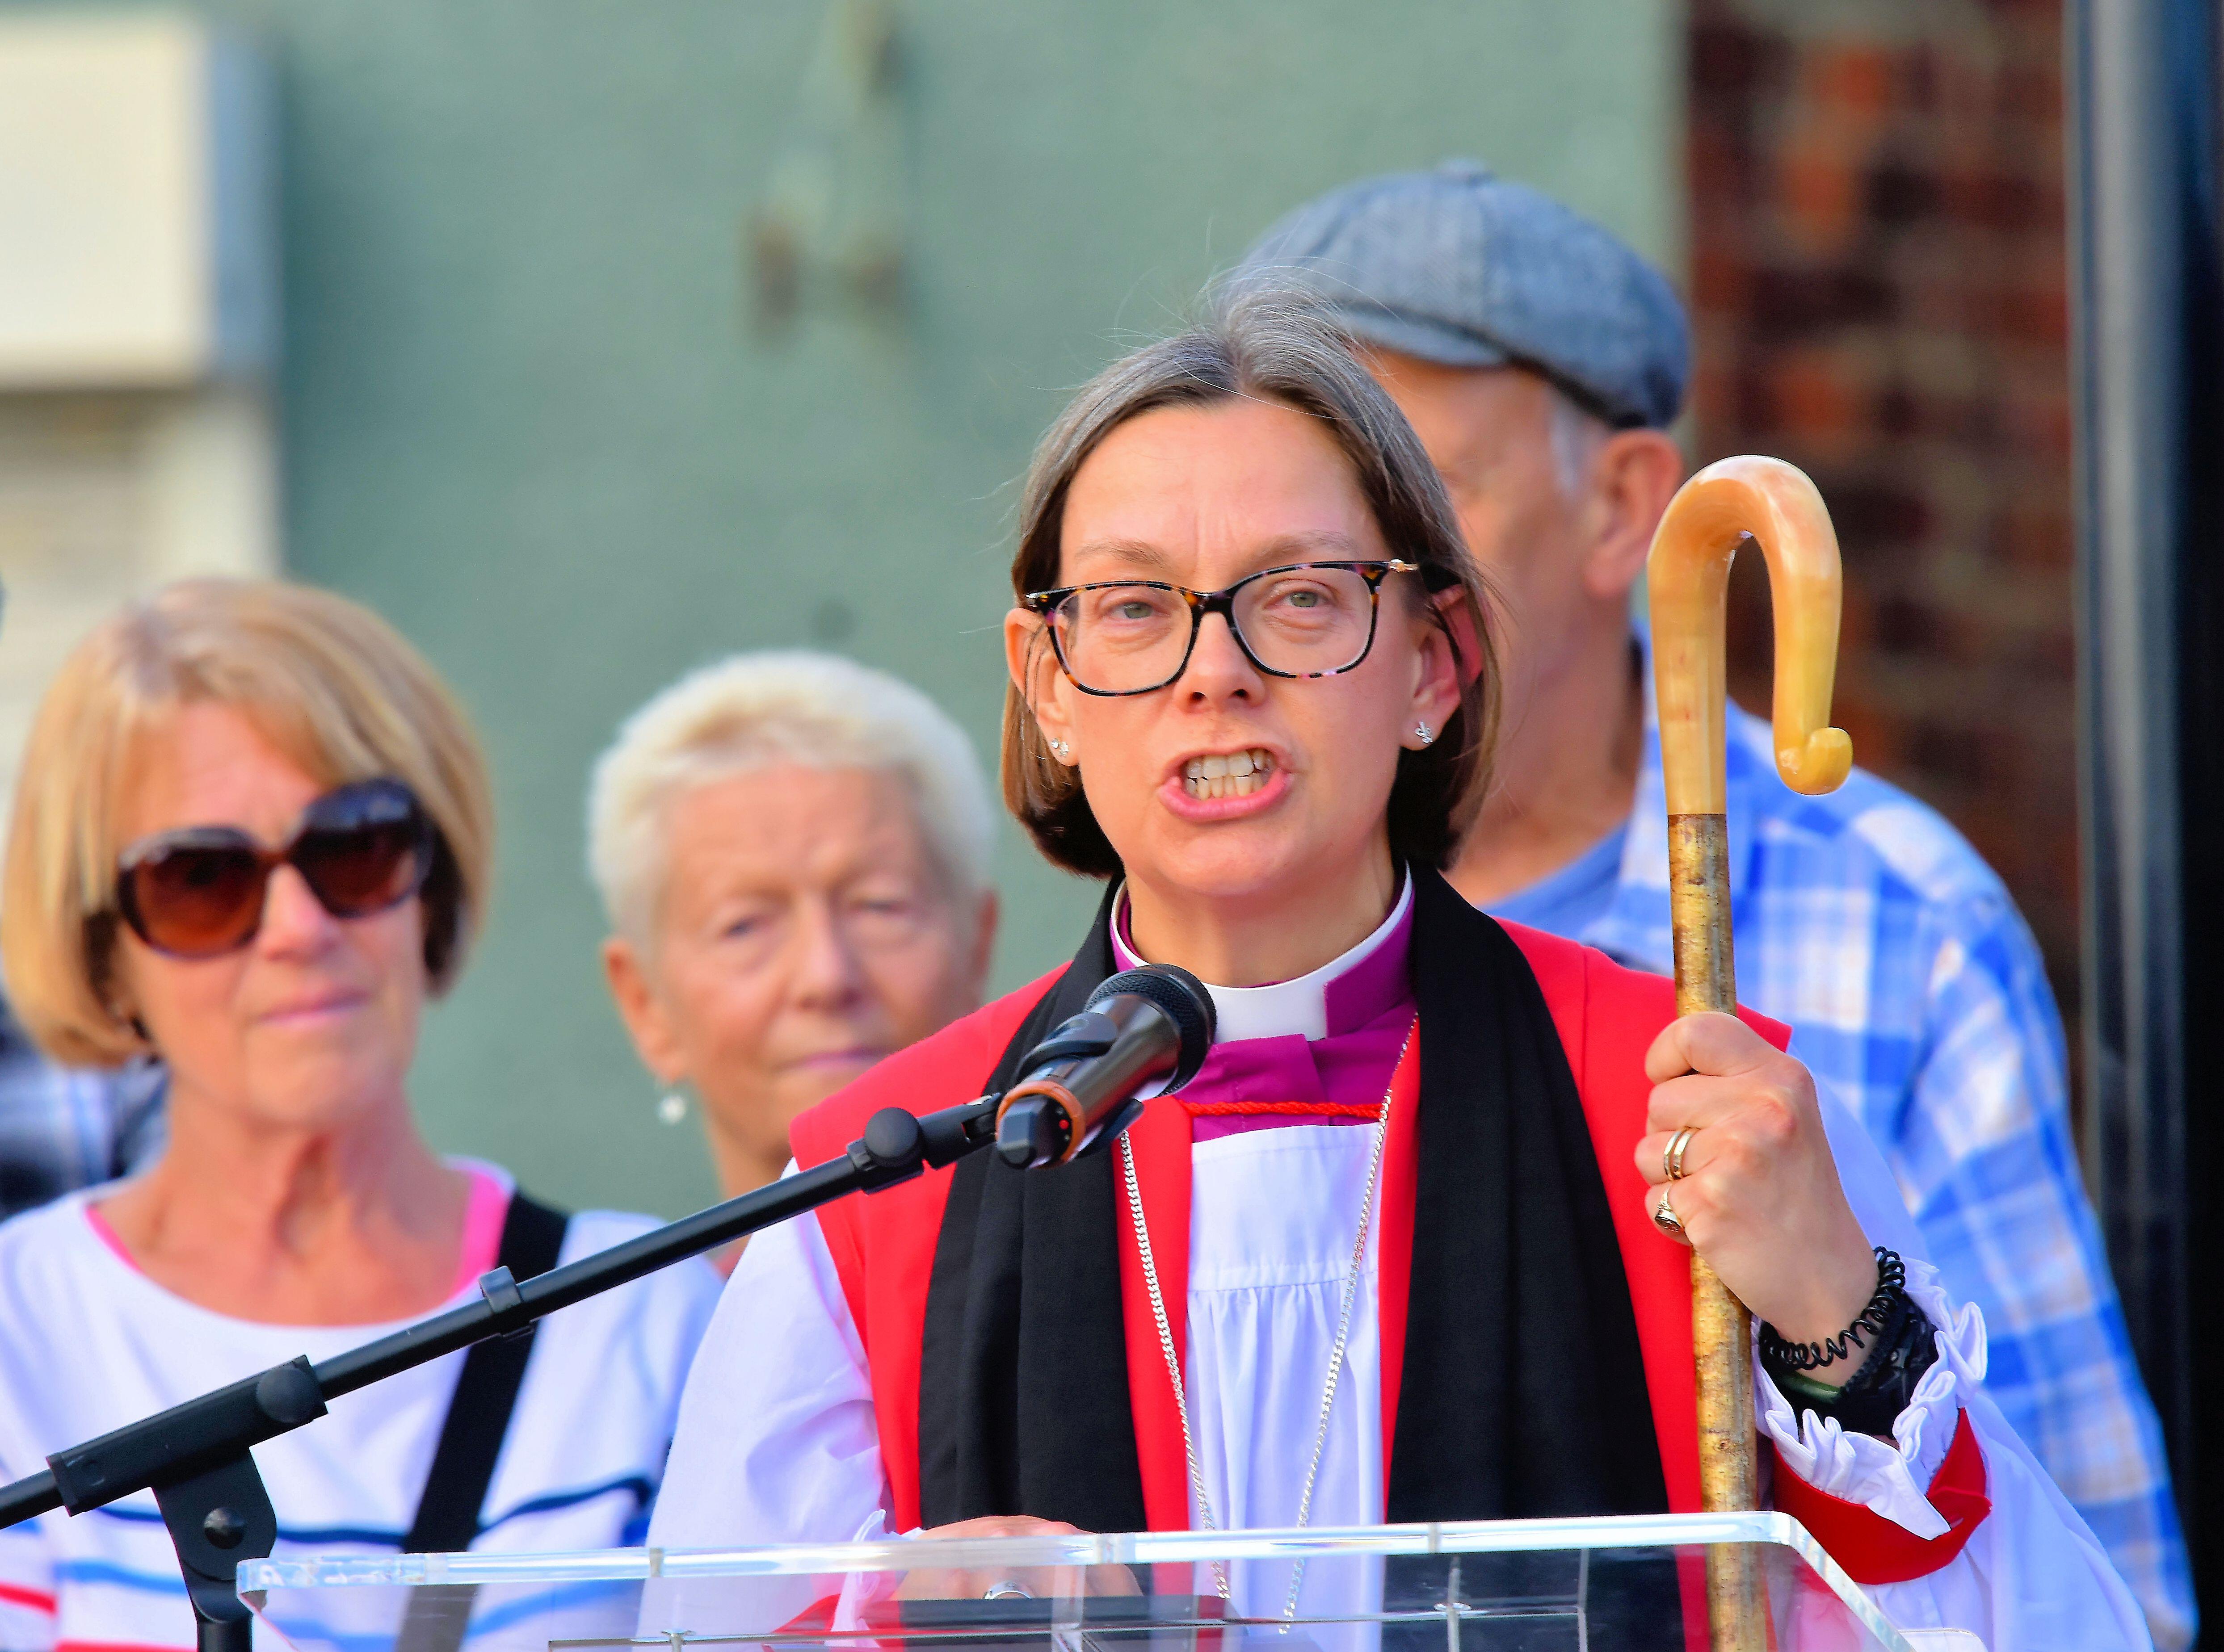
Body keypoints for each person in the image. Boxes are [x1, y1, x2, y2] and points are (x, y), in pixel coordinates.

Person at [649, 291, 2146, 1648]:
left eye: (1296, 594)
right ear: (1047, 688)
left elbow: (2043, 1624)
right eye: (1126, 605)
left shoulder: (1686, 1103)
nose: (1208, 666)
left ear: (1429, 663)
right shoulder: (886, 1186)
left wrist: (1831, 1311)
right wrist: (889, 1624)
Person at [1237, 161, 2190, 1649]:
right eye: (1302, 520)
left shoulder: (1889, 926)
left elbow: (2079, 1559)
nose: (1351, 579)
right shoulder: (1233, 904)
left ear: (1623, 503)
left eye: (1419, 495)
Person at [0, 579, 721, 1652]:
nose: (296, 929)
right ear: (105, 953)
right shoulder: (19, 1333)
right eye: (203, 878)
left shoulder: (640, 1317)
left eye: (353, 846)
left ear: (429, 885)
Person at [589, 651, 998, 1220]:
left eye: (879, 906)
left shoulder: (1141, 1285)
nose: (827, 975)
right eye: (744, 925)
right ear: (645, 1003)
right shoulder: (629, 1312)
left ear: (976, 946)